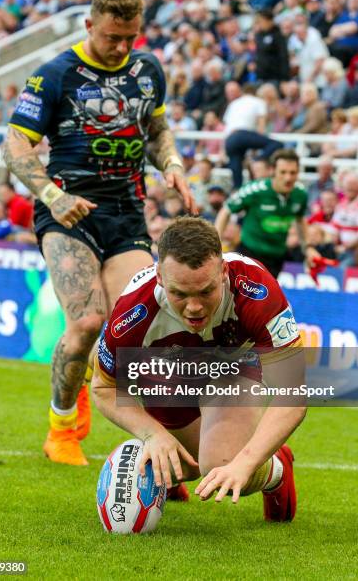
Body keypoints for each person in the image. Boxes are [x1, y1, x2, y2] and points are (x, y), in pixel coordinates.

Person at [3, 0, 197, 467]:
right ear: (89, 26)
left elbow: (156, 131)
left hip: (126, 212)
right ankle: (62, 427)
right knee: (87, 322)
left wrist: (170, 162)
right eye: (112, 37)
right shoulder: (54, 76)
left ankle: (162, 442)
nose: (121, 47)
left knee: (143, 327)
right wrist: (52, 194)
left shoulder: (147, 70)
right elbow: (14, 146)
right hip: (68, 210)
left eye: (130, 37)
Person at [92, 217, 306, 517]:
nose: (194, 306)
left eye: (206, 291)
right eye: (179, 293)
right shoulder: (135, 310)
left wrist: (246, 462)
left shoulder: (255, 289)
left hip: (232, 368)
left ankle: (276, 470)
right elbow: (102, 388)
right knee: (181, 464)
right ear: (160, 277)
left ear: (223, 272)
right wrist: (153, 433)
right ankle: (170, 481)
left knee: (221, 465)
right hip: (168, 373)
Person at [215, 149, 319, 278]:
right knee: (243, 297)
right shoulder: (255, 190)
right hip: (249, 255)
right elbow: (226, 210)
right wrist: (216, 246)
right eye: (283, 172)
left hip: (277, 258)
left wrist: (308, 247)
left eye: (293, 173)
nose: (288, 178)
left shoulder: (300, 194)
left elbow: (300, 219)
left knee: (266, 297)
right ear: (272, 171)